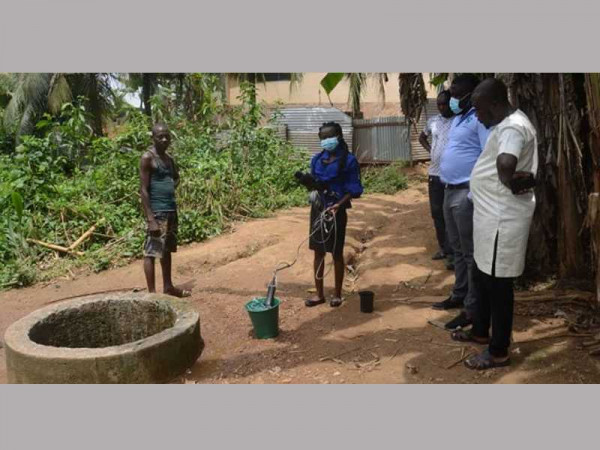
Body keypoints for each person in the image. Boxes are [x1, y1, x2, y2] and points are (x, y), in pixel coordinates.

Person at [452, 78, 538, 370]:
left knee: (499, 286)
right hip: (490, 218)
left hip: (503, 219)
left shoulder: (513, 126)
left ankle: (499, 350)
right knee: (482, 276)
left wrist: (507, 178)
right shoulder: (505, 123)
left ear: (496, 104)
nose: (477, 116)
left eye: (479, 109)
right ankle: (480, 331)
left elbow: (506, 163)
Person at [431, 74, 491, 331]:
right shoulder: (458, 119)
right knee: (456, 249)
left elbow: (488, 154)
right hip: (448, 189)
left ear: (471, 93)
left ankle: (472, 306)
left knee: (469, 253)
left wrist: (473, 192)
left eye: (456, 93)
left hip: (466, 192)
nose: (452, 98)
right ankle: (459, 294)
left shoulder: (479, 120)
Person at [304, 122, 363, 308]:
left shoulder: (349, 161)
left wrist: (338, 204)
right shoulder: (316, 160)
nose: (325, 141)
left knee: (336, 252)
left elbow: (354, 188)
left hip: (337, 210)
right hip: (318, 209)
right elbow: (315, 182)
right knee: (318, 252)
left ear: (338, 137)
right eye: (322, 138)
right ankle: (319, 294)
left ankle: (337, 294)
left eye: (329, 137)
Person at [139, 123, 191, 298]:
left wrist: (169, 186)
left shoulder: (169, 159)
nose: (164, 139)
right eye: (160, 136)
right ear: (153, 138)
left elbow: (176, 178)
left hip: (170, 211)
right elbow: (143, 190)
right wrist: (150, 219)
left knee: (167, 250)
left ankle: (168, 287)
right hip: (158, 213)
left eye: (167, 136)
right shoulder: (148, 158)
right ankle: (152, 295)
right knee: (151, 252)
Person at [419, 90, 455, 270]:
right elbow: (422, 137)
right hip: (435, 173)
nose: (442, 107)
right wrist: (432, 151)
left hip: (452, 175)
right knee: (437, 212)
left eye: (445, 104)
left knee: (451, 213)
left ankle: (454, 251)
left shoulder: (459, 121)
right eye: (439, 104)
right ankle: (444, 248)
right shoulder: (433, 121)